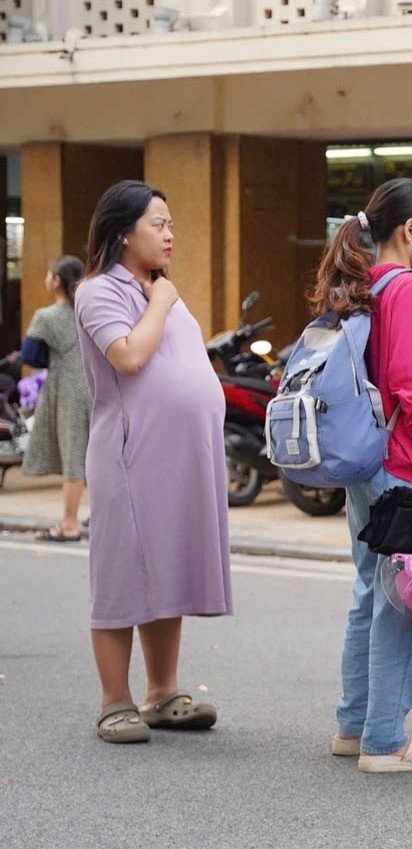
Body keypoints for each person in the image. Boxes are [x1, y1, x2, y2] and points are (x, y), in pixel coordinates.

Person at [74, 180, 232, 744]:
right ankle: (114, 701)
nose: (169, 235)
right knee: (122, 572)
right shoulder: (98, 292)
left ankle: (161, 693)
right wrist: (161, 302)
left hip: (179, 457)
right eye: (157, 224)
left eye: (170, 224)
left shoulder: (160, 289)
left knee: (166, 563)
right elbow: (129, 356)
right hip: (130, 455)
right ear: (123, 233)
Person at [320, 178, 412, 773]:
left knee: (371, 593)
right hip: (403, 464)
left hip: (370, 463)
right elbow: (410, 380)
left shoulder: (366, 287)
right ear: (410, 231)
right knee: (409, 604)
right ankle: (385, 740)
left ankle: (355, 726)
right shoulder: (405, 289)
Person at [21, 255, 91, 542]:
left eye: (49, 275)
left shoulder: (46, 317)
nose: (45, 280)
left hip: (68, 389)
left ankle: (69, 523)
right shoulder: (88, 312)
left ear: (57, 282)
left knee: (74, 457)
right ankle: (100, 517)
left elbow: (30, 355)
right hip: (97, 387)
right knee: (97, 456)